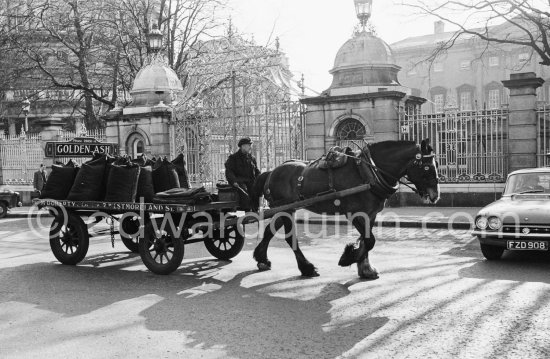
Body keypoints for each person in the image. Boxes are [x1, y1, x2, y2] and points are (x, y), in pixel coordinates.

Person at [225, 137, 261, 209]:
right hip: (239, 181)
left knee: (256, 191)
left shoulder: (252, 158)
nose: (250, 147)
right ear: (243, 146)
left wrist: (260, 178)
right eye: (248, 145)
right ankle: (246, 212)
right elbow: (229, 171)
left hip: (250, 181)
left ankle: (255, 210)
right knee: (244, 193)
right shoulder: (233, 158)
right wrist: (233, 181)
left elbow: (256, 171)